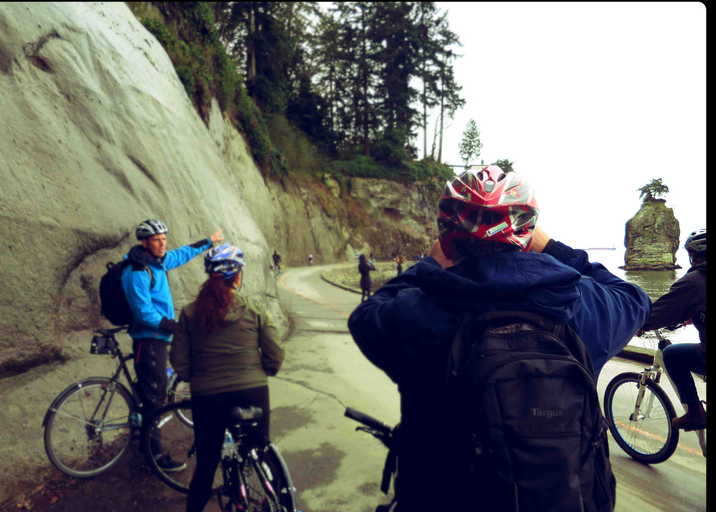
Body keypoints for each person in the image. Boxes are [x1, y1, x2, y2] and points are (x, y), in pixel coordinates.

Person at [347, 166, 652, 510]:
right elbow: (634, 298)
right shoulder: (578, 302)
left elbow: (366, 317)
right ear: (527, 233)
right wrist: (552, 247)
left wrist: (427, 265)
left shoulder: (418, 311)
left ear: (447, 236)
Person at [169, 244, 284, 512]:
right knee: (261, 451)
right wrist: (265, 370)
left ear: (211, 276)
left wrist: (193, 377)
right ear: (238, 276)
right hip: (252, 390)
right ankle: (276, 501)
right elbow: (275, 354)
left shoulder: (188, 313)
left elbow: (180, 363)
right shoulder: (255, 309)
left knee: (207, 463)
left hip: (207, 395)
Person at [122, 219, 225, 472]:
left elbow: (180, 255)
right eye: (157, 240)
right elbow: (144, 313)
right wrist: (173, 325)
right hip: (148, 341)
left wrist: (208, 242)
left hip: (156, 339)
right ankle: (154, 456)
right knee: (155, 400)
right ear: (144, 243)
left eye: (164, 239)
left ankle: (139, 438)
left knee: (149, 393)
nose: (162, 244)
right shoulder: (137, 271)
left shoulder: (157, 262)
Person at [638, 228, 706, 431]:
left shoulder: (694, 282)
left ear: (694, 255)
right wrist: (694, 318)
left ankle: (695, 413)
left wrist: (639, 324)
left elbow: (662, 311)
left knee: (671, 354)